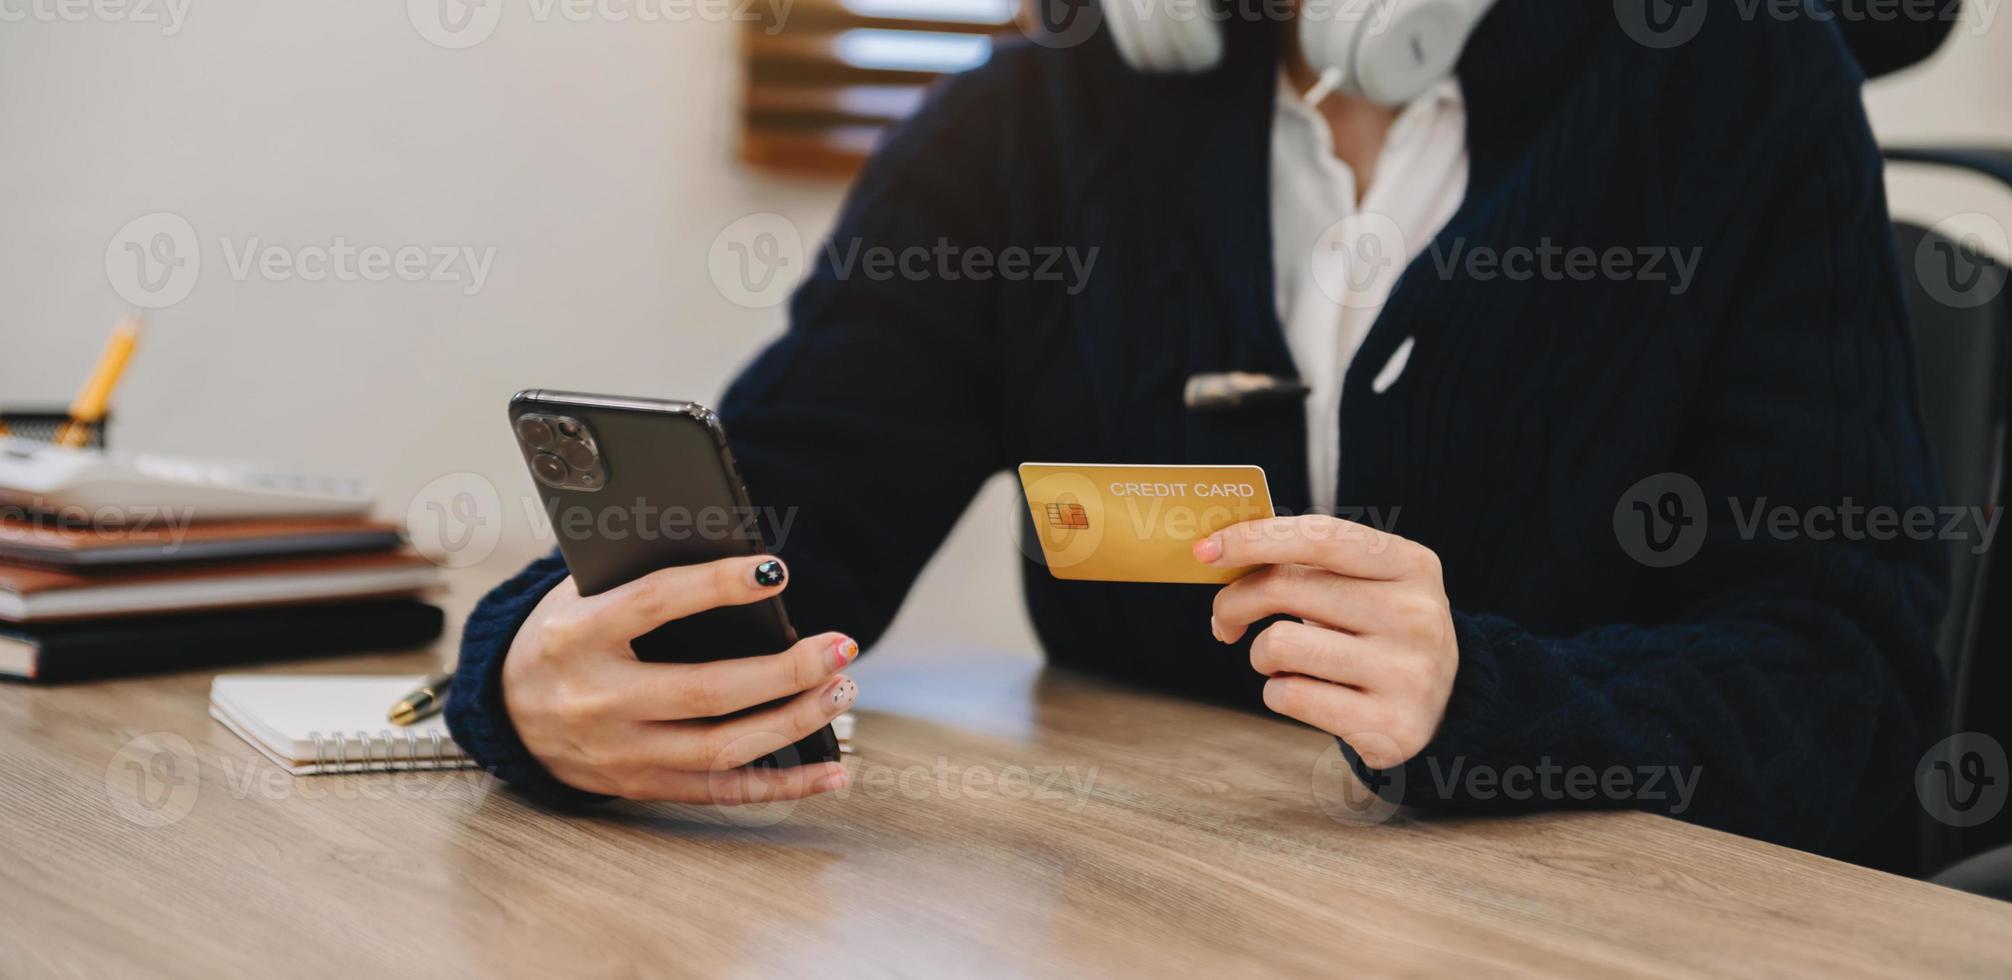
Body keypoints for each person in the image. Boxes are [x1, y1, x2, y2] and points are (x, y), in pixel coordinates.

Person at [447, 1, 1951, 872]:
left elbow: (1848, 678)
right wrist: (530, 678)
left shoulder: (1741, 86)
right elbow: (785, 518)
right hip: (1170, 917)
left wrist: (1492, 700)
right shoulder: (1045, 113)